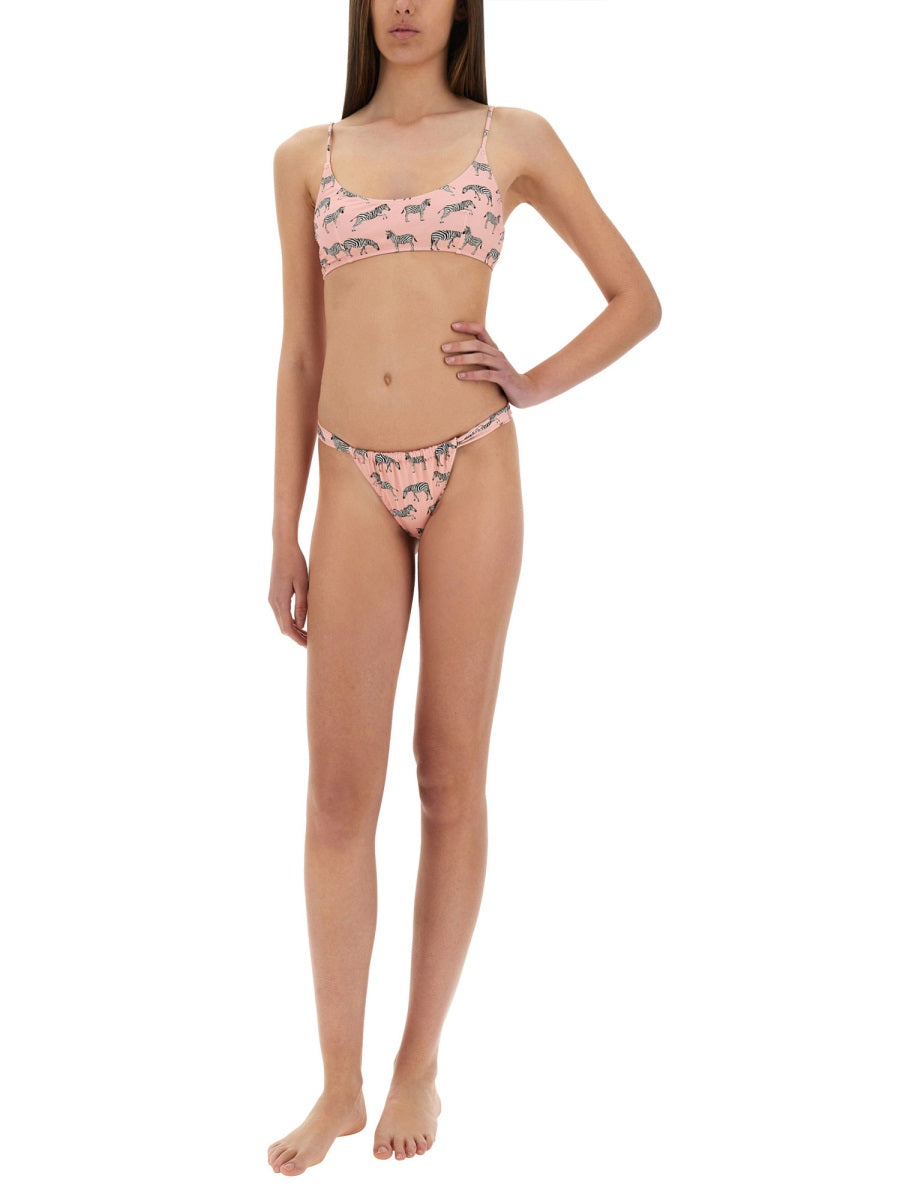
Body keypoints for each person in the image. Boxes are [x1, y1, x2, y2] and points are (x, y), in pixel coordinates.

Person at [266, 0, 661, 1177]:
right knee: (338, 794)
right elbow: (300, 352)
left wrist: (530, 382)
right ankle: (338, 1082)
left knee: (447, 776)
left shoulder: (513, 138)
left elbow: (636, 297)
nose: (404, 7)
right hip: (349, 474)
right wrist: (281, 528)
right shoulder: (305, 157)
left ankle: (417, 1062)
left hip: (472, 466)